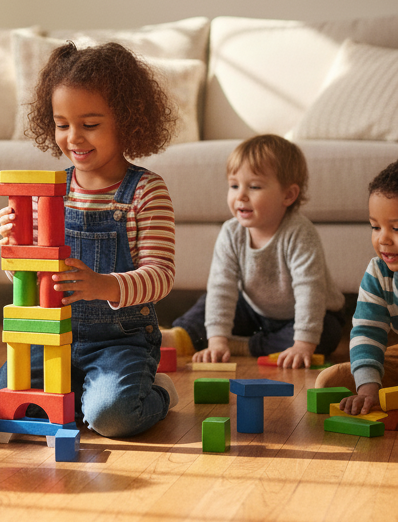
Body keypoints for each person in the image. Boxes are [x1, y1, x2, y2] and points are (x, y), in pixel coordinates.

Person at [0, 41, 179, 439]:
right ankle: (76, 397)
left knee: (113, 417)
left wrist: (103, 284)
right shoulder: (50, 193)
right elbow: (28, 282)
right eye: (61, 124)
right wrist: (15, 250)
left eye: (90, 125)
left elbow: (161, 276)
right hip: (51, 338)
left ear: (126, 122)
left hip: (118, 341)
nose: (74, 137)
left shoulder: (145, 191)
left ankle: (157, 392)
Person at [164, 135, 345, 368]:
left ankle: (245, 346)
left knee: (323, 337)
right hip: (255, 309)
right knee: (210, 300)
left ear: (288, 195)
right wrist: (217, 341)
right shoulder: (231, 233)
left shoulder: (299, 234)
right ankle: (183, 336)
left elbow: (310, 293)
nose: (241, 195)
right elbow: (222, 287)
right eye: (234, 185)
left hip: (312, 312)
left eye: (255, 187)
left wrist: (303, 345)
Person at [333, 161, 398, 415]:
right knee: (330, 381)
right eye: (375, 227)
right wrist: (367, 390)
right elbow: (368, 331)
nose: (382, 238)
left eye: (396, 228)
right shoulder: (378, 272)